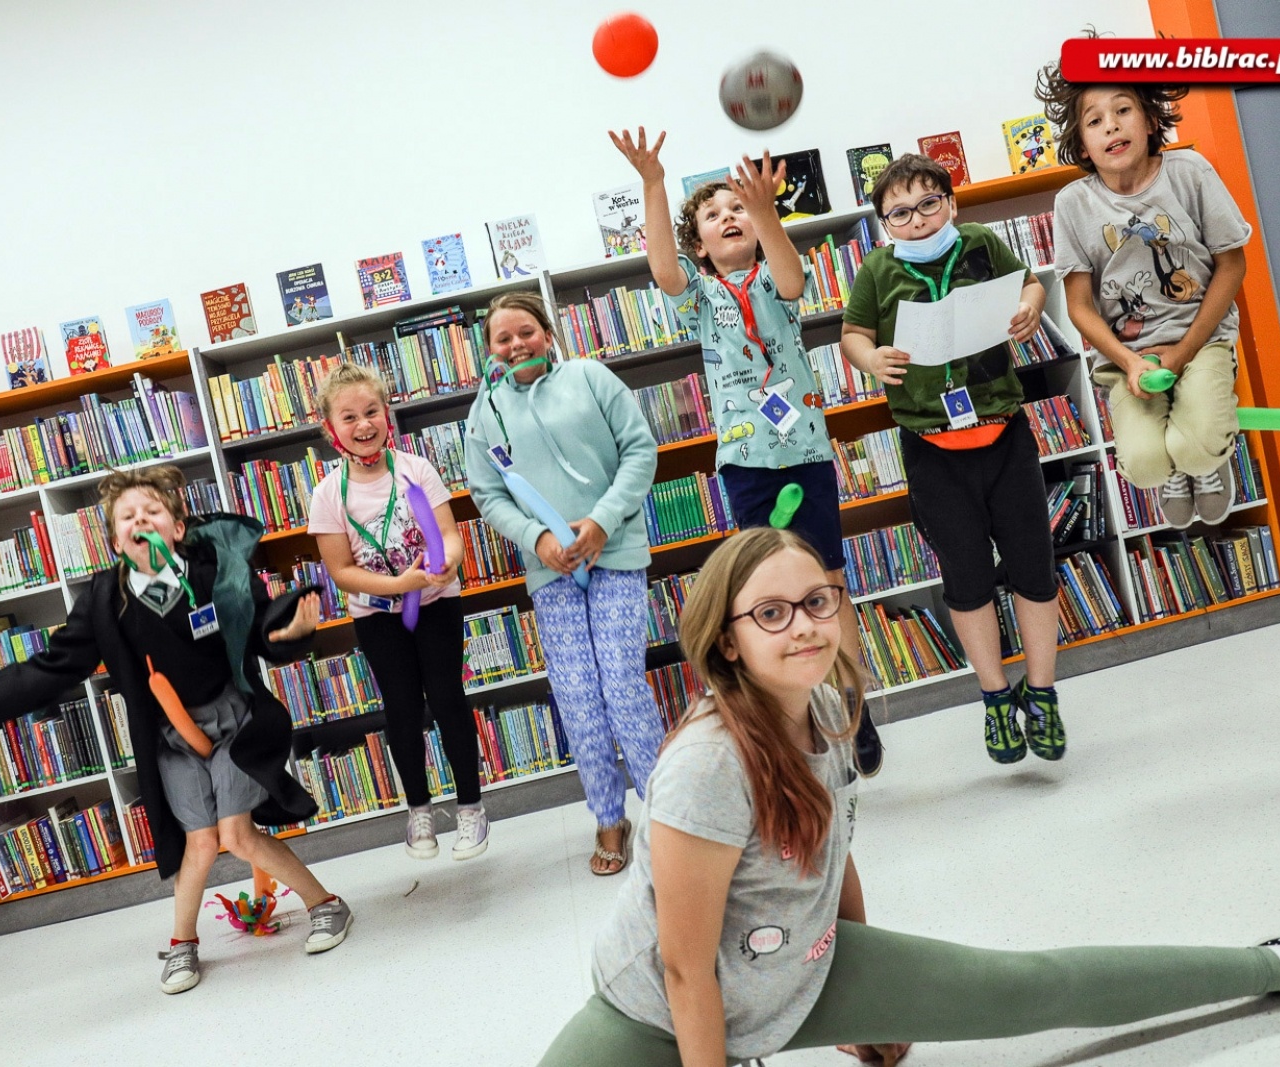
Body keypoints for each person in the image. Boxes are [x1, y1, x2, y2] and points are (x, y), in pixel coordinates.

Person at [536, 526, 1280, 1066]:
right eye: (771, 613)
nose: (803, 625)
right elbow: (684, 967)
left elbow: (832, 856)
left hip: (794, 974)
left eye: (817, 601)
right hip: (656, 1018)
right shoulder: (705, 766)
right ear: (726, 641)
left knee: (1035, 987)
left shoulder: (828, 708)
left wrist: (870, 997)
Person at [0, 465, 351, 995]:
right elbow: (56, 665)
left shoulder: (215, 572)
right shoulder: (103, 600)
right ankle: (182, 945)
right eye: (127, 516)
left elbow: (260, 629)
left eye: (152, 511)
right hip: (171, 738)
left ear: (177, 528)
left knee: (236, 835)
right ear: (116, 541)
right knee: (199, 843)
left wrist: (290, 632)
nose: (140, 520)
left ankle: (327, 905)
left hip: (235, 723)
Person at [610, 126, 883, 779]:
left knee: (828, 583)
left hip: (805, 455)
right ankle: (796, 710)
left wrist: (765, 211)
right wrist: (653, 183)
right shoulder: (702, 298)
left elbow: (791, 276)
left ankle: (853, 705)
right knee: (774, 590)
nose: (728, 216)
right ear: (701, 247)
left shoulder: (774, 279)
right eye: (713, 215)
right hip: (746, 466)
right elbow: (663, 270)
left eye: (737, 208)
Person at [839, 152, 1064, 766]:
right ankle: (995, 698)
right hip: (932, 447)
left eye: (928, 204)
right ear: (885, 223)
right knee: (966, 577)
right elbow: (853, 334)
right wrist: (871, 358)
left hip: (1004, 432)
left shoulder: (982, 243)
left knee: (1033, 564)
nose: (916, 220)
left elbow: (1030, 283)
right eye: (899, 213)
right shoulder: (877, 269)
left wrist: (1031, 306)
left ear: (951, 203)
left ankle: (1042, 692)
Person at [464, 291, 666, 876]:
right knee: (577, 695)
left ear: (548, 335)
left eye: (526, 332)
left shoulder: (590, 377)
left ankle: (669, 815)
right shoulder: (485, 414)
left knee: (622, 684)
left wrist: (602, 521)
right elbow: (487, 495)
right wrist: (537, 539)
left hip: (614, 552)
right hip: (550, 569)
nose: (516, 345)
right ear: (490, 351)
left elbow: (639, 451)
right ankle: (609, 817)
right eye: (502, 338)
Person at [1036, 59, 1250, 530]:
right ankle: (1176, 464)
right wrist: (1130, 363)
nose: (1111, 126)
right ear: (1083, 145)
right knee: (1146, 466)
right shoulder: (1072, 203)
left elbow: (1232, 264)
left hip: (1201, 340)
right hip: (1127, 356)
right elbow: (1079, 306)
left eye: (1123, 110)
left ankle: (1204, 460)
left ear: (1151, 120)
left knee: (1196, 448)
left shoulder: (1189, 172)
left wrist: (1184, 351)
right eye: (1095, 120)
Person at [306, 361, 490, 862]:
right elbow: (342, 571)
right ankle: (419, 811)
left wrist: (447, 563)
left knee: (448, 698)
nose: (363, 424)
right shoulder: (327, 494)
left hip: (436, 605)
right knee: (402, 709)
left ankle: (471, 808)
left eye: (371, 411)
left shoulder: (417, 470)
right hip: (377, 617)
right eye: (349, 417)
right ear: (330, 428)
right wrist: (395, 586)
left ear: (386, 414)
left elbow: (449, 535)